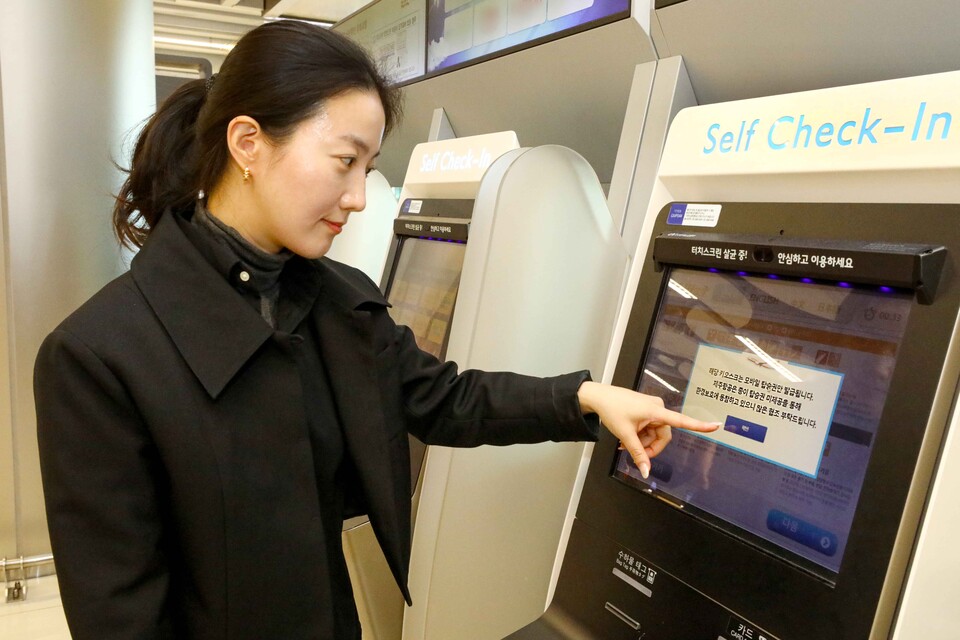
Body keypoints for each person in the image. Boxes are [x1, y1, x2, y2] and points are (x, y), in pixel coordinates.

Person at [33, 20, 718, 640]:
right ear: (248, 144)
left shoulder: (334, 301)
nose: (360, 198)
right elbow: (120, 613)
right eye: (345, 161)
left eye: (368, 167)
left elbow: (444, 398)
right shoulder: (98, 357)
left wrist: (587, 399)